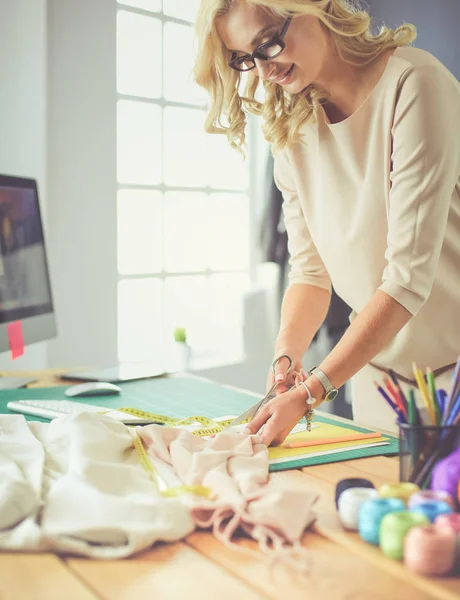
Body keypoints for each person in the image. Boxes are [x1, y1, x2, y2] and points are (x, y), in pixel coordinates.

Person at [194, 0, 460, 444]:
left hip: (453, 376)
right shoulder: (291, 128)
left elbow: (407, 280)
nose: (264, 71)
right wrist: (286, 360)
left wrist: (311, 391)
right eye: (245, 59)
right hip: (379, 381)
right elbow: (310, 273)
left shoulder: (415, 84)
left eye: (267, 44)